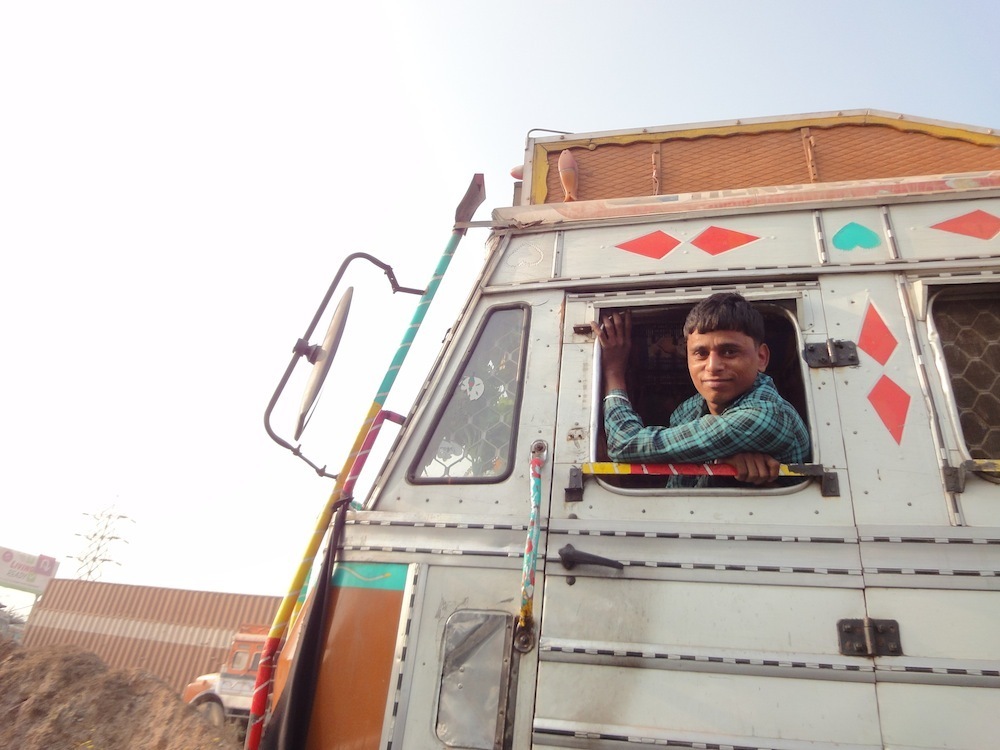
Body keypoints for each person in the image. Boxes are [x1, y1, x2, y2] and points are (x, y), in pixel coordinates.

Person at [591, 292, 810, 487]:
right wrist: (720, 463)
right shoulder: (688, 410)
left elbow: (625, 445)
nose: (713, 367)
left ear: (761, 358)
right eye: (700, 353)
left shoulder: (765, 416)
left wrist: (613, 372)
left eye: (729, 352)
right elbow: (677, 490)